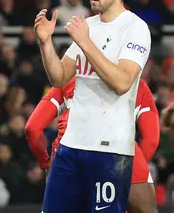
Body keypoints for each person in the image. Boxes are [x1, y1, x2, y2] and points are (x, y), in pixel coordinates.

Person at [33, 0, 151, 212]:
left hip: (109, 151)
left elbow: (122, 82)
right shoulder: (88, 26)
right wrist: (45, 43)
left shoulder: (135, 29)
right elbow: (60, 76)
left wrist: (85, 42)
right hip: (70, 146)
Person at [25, 78, 160, 213]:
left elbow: (32, 128)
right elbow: (151, 140)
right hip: (118, 148)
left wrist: (46, 165)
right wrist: (128, 169)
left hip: (67, 153)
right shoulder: (136, 84)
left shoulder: (69, 79)